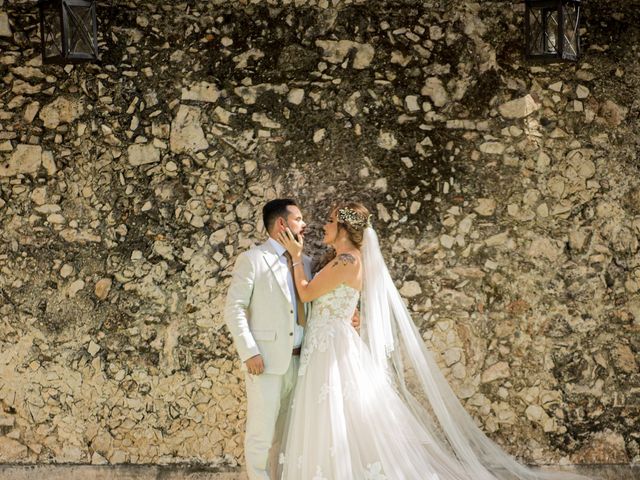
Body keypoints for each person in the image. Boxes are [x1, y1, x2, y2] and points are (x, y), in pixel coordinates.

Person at [275, 202, 596, 480]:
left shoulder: (346, 262)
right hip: (329, 342)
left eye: (331, 221)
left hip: (331, 348)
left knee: (336, 414)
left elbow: (305, 291)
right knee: (340, 416)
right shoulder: (349, 260)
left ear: (344, 228)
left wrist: (295, 256)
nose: (325, 226)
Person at [224, 198, 360, 480]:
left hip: (305, 364)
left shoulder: (307, 263)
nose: (306, 225)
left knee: (288, 439)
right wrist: (249, 352)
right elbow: (234, 308)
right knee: (261, 435)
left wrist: (350, 312)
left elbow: (323, 295)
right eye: (299, 219)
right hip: (267, 362)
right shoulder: (253, 260)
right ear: (282, 224)